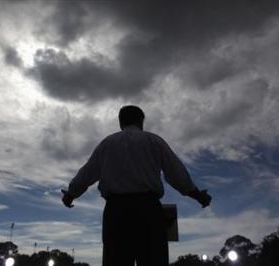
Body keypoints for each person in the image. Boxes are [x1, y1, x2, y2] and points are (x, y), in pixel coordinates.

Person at [62, 105, 212, 266]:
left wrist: (71, 194)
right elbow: (177, 173)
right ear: (141, 121)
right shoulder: (154, 141)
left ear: (120, 123)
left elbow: (87, 173)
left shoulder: (107, 144)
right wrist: (198, 195)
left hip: (116, 212)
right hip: (148, 210)